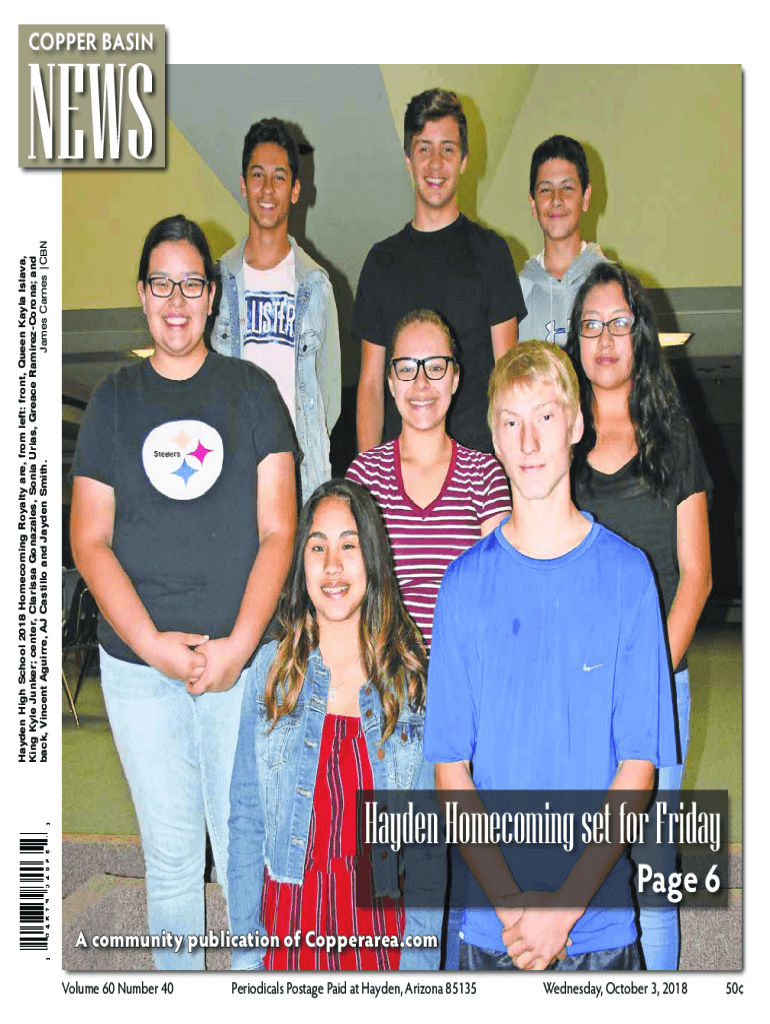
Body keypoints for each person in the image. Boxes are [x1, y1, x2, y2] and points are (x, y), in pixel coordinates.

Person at [70, 214, 298, 970]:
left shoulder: (254, 393)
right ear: (142, 294)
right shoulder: (113, 401)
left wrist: (237, 647)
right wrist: (152, 648)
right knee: (170, 860)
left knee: (243, 859)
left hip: (242, 665)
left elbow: (279, 529)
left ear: (213, 295)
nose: (176, 300)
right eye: (161, 284)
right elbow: (90, 539)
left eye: (191, 284)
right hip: (140, 672)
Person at [424, 341, 677, 971]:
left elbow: (637, 769)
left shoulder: (629, 575)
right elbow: (451, 772)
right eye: (512, 422)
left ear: (576, 425)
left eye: (545, 416)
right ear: (495, 439)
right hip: (493, 929)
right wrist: (515, 910)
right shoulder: (462, 585)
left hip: (599, 927)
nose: (530, 441)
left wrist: (561, 912)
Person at [228, 479, 444, 970]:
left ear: (373, 559)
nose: (332, 565)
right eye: (317, 546)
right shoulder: (271, 675)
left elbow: (427, 846)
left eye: (349, 546)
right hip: (289, 931)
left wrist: (419, 966)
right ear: (301, 563)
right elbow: (245, 820)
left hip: (380, 936)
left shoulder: (410, 686)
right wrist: (245, 954)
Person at [565, 261, 713, 969]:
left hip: (657, 688)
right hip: (573, 689)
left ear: (640, 336)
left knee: (651, 876)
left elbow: (696, 576)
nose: (604, 339)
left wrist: (645, 682)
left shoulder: (673, 437)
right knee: (576, 861)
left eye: (618, 324)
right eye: (590, 325)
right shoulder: (557, 440)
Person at [354, 88, 526, 455]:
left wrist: (509, 470)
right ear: (408, 159)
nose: (435, 164)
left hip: (478, 467)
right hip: (398, 471)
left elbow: (507, 376)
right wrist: (364, 476)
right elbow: (370, 385)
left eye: (447, 149)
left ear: (464, 160)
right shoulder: (380, 262)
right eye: (424, 149)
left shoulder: (492, 253)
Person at [346, 308, 510, 649]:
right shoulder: (364, 475)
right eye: (407, 368)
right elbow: (352, 591)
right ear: (391, 382)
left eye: (435, 367)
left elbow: (498, 592)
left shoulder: (485, 474)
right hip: (383, 672)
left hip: (463, 668)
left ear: (455, 378)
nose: (421, 383)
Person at [212, 117, 341, 501]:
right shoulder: (216, 283)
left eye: (279, 177)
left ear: (296, 190)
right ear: (243, 184)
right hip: (231, 474)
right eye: (258, 175)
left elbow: (329, 398)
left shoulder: (316, 287)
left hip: (300, 478)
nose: (267, 188)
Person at [519, 135, 604, 345]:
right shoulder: (516, 293)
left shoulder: (613, 283)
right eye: (545, 189)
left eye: (567, 188)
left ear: (585, 197)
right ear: (533, 203)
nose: (556, 200)